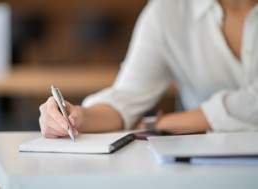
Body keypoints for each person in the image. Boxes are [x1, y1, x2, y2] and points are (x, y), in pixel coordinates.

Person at [39, 0, 258, 138]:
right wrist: (78, 116)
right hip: (204, 169)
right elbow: (127, 97)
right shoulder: (168, 10)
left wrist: (165, 123)